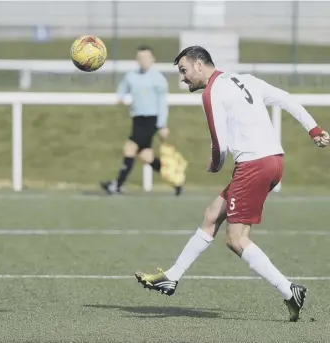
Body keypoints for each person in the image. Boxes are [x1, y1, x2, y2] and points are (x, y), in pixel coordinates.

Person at [134, 46, 329, 322]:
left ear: (199, 65)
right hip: (273, 161)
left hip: (253, 165)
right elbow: (286, 99)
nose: (183, 78)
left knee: (236, 239)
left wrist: (215, 165)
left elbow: (218, 143)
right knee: (212, 216)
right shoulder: (245, 79)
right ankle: (172, 277)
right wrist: (314, 129)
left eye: (184, 70)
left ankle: (290, 290)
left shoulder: (212, 92)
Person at [100, 45, 184, 196]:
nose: (143, 61)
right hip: (137, 119)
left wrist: (162, 124)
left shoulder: (158, 79)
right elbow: (123, 88)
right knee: (147, 156)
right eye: (140, 58)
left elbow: (162, 104)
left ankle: (117, 185)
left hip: (150, 120)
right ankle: (176, 180)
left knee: (130, 148)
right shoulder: (131, 76)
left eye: (146, 58)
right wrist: (119, 97)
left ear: (152, 59)